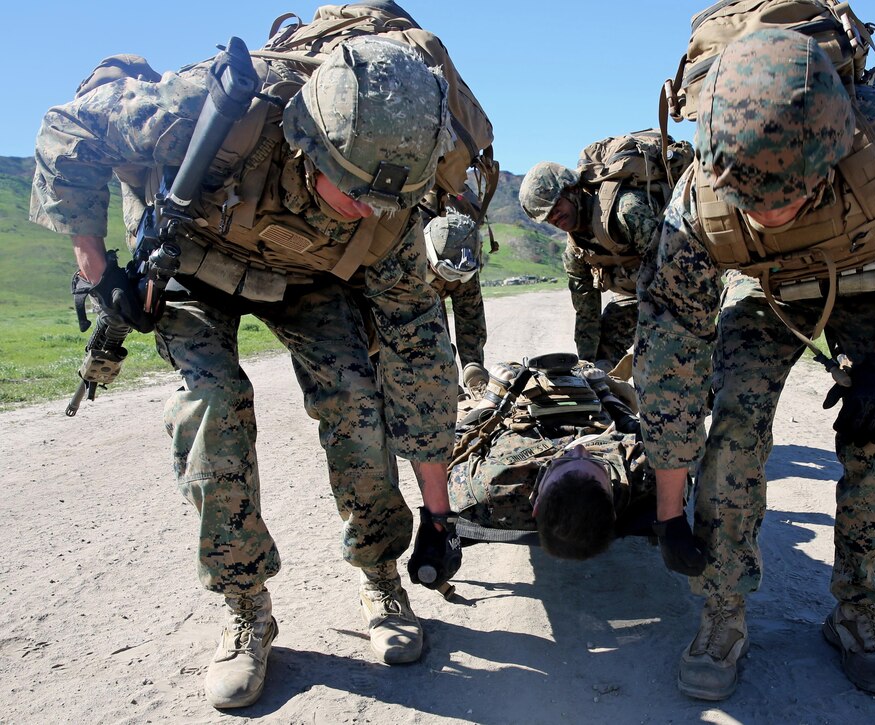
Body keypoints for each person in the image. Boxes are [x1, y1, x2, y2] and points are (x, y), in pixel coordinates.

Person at [30, 36, 465, 708]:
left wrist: (439, 514)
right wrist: (96, 270)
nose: (365, 210)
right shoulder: (214, 108)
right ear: (307, 140)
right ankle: (247, 609)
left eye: (382, 202)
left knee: (359, 398)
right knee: (213, 403)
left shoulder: (389, 205)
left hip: (305, 281)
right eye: (349, 191)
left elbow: (419, 353)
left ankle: (381, 574)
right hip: (192, 262)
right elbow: (68, 129)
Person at [635, 29, 875, 700]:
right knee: (731, 430)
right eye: (751, 202)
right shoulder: (696, 205)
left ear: (830, 156)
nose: (766, 214)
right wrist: (669, 512)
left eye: (786, 198)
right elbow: (670, 358)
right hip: (771, 301)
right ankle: (723, 611)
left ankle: (859, 614)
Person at [447, 360, 655, 558]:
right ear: (612, 507)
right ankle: (608, 375)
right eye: (595, 462)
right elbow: (639, 429)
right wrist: (603, 390)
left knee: (458, 409)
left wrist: (492, 398)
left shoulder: (489, 486)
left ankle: (475, 393)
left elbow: (453, 449)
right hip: (593, 415)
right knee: (625, 394)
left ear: (536, 504)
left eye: (563, 461)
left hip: (517, 418)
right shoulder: (643, 475)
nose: (580, 449)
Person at [518, 161, 661, 371]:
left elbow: (668, 271)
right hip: (635, 295)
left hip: (676, 289)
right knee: (602, 350)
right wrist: (586, 365)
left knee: (665, 357)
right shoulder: (575, 251)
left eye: (556, 208)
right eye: (547, 217)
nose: (554, 218)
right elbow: (586, 312)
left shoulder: (626, 211)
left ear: (573, 190)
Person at [421, 203, 488, 391]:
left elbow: (471, 319)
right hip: (425, 281)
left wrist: (473, 368)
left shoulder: (465, 267)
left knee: (471, 319)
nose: (456, 279)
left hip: (454, 267)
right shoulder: (411, 265)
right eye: (449, 273)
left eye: (462, 274)